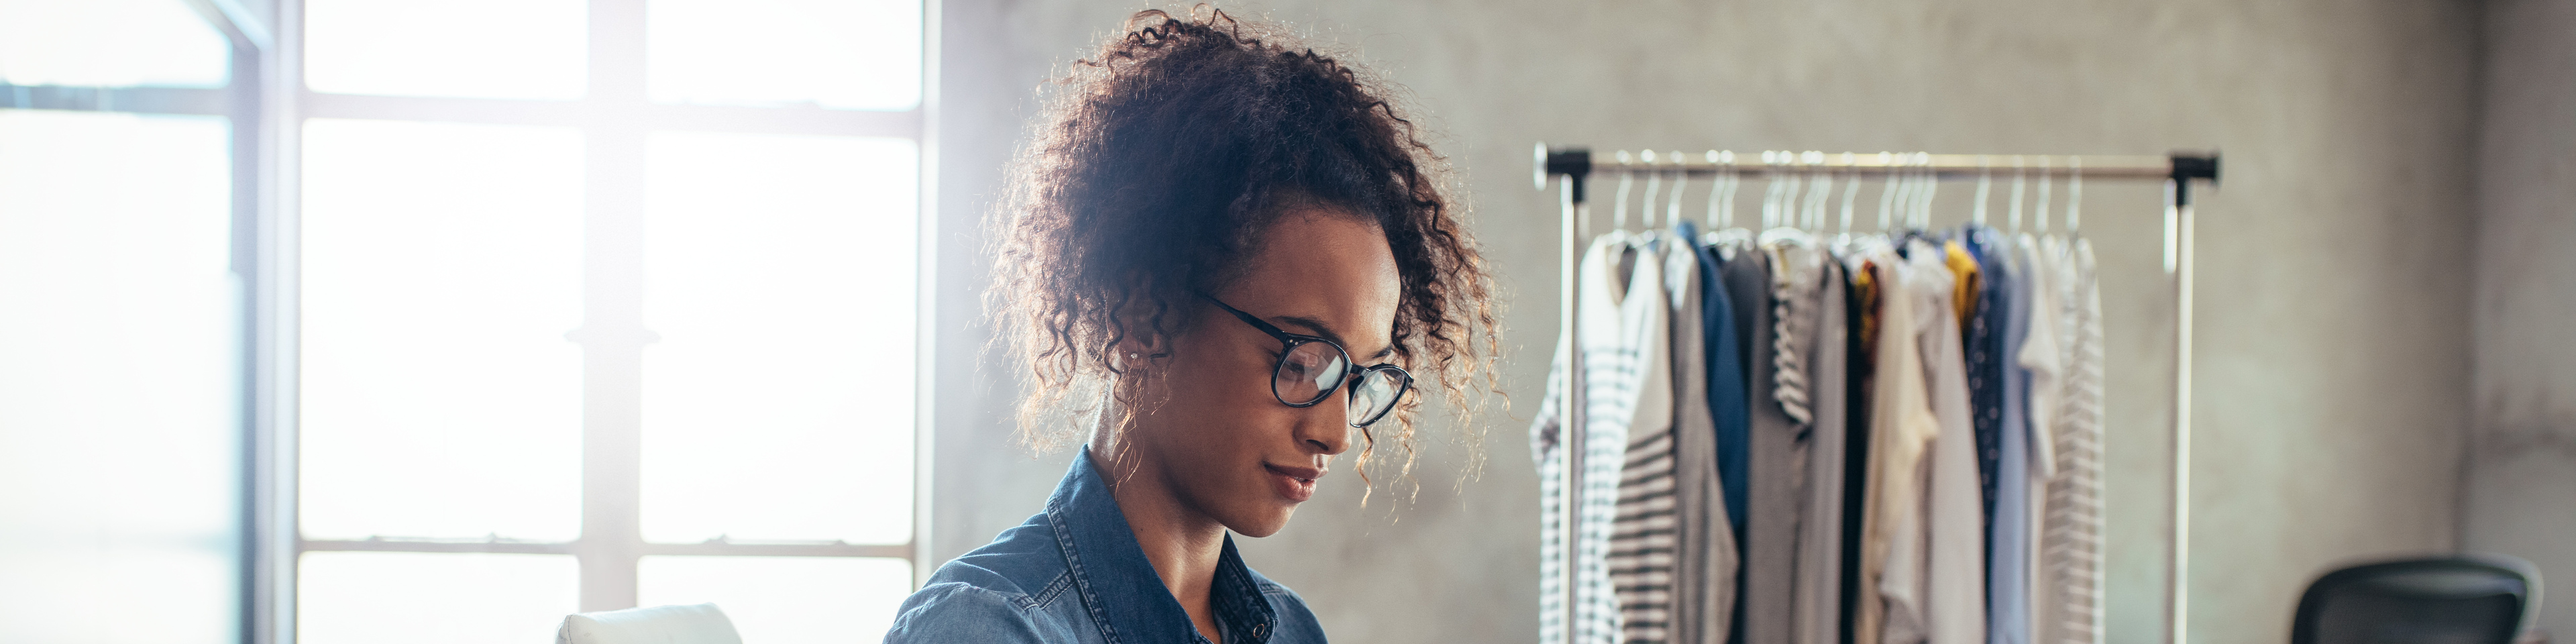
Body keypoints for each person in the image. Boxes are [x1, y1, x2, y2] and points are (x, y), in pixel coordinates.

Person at [882, 7, 1499, 644]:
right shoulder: (990, 628)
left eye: (1358, 380)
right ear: (1146, 316)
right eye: (1304, 362)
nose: (1335, 434)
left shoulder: (1291, 630)